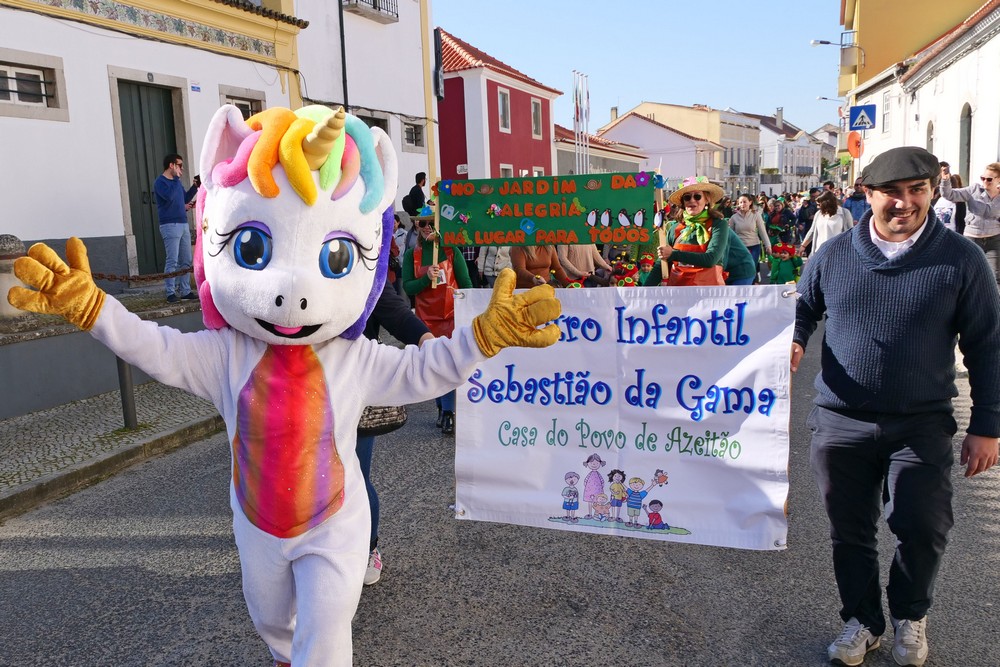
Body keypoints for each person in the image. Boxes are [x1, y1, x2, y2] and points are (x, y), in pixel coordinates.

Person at [790, 146, 1000, 667]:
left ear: (932, 190)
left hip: (921, 422)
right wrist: (794, 339)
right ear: (867, 194)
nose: (905, 202)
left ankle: (910, 615)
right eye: (891, 192)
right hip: (840, 419)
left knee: (923, 526)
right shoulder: (833, 255)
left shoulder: (962, 259)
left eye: (917, 190)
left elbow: (987, 345)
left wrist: (988, 425)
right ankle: (862, 621)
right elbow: (802, 309)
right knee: (850, 531)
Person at [357, 280, 434, 585]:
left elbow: (395, 312)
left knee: (355, 477)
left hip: (354, 394)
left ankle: (368, 547)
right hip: (296, 393)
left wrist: (428, 341)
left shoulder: (361, 271)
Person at [402, 216, 473, 435]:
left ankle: (449, 412)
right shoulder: (411, 255)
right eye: (422, 223)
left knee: (448, 366)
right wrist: (425, 279)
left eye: (432, 222)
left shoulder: (452, 252)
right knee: (434, 367)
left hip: (451, 318)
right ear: (417, 225)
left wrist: (469, 310)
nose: (427, 227)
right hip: (426, 321)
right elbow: (408, 287)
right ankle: (442, 407)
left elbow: (466, 284)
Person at [641, 176, 755, 286]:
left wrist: (673, 254)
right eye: (687, 197)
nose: (692, 200)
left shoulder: (719, 225)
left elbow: (711, 260)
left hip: (738, 273)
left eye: (697, 196)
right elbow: (662, 263)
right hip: (690, 283)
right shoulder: (674, 228)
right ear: (683, 202)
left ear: (707, 200)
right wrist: (643, 292)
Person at [940, 161, 1000, 287]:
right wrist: (945, 180)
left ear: (998, 179)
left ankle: (992, 299)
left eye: (989, 179)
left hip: (994, 240)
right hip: (972, 239)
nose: (985, 181)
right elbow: (949, 194)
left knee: (994, 277)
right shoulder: (974, 190)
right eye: (982, 178)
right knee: (968, 274)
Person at [152, 154, 199, 302]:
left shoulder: (176, 183)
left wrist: (195, 187)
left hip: (183, 223)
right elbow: (170, 197)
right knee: (172, 260)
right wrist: (176, 179)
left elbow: (184, 198)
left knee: (186, 260)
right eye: (180, 165)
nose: (182, 169)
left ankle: (185, 291)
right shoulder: (160, 182)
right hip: (169, 225)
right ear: (171, 165)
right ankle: (170, 293)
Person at [729, 194, 772, 282]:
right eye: (740, 202)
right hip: (740, 247)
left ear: (750, 202)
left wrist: (768, 245)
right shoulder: (734, 218)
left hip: (754, 245)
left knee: (752, 267)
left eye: (745, 202)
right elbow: (730, 234)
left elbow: (762, 231)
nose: (742, 204)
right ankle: (743, 285)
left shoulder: (756, 215)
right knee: (741, 268)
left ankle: (753, 284)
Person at [800, 190, 853, 256]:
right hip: (820, 251)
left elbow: (851, 233)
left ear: (826, 203)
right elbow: (812, 231)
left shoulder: (844, 213)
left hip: (838, 253)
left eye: (819, 204)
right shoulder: (818, 214)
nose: (817, 207)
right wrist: (803, 246)